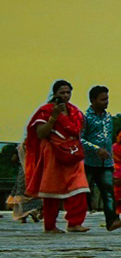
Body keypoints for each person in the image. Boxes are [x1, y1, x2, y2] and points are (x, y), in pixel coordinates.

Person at [23, 81, 90, 233]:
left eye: (68, 92)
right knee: (51, 190)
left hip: (73, 153)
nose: (66, 96)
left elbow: (78, 131)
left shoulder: (75, 111)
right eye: (62, 93)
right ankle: (50, 225)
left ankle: (74, 223)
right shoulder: (45, 111)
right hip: (53, 152)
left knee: (79, 188)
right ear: (55, 94)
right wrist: (54, 117)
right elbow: (40, 133)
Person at [80, 85, 121, 231]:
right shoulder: (85, 117)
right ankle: (76, 220)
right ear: (93, 100)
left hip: (106, 162)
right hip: (89, 162)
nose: (106, 102)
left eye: (107, 99)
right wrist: (96, 149)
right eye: (103, 99)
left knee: (108, 192)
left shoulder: (108, 117)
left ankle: (112, 221)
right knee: (84, 192)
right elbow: (80, 139)